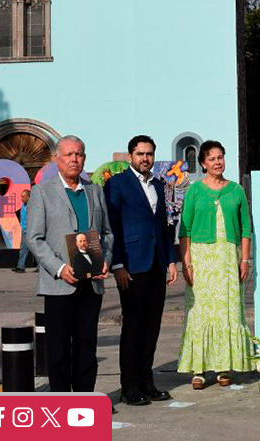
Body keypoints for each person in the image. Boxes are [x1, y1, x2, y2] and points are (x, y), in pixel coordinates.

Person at [26, 135, 113, 394]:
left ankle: (85, 398)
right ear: (57, 159)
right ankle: (62, 400)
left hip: (92, 282)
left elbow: (107, 233)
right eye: (68, 154)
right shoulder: (42, 192)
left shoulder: (95, 192)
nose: (74, 159)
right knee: (59, 348)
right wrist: (59, 268)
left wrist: (106, 259)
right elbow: (34, 238)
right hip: (60, 283)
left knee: (87, 346)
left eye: (79, 154)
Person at [104, 135, 180, 406]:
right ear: (130, 156)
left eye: (149, 154)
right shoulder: (117, 184)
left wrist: (171, 260)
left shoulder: (159, 185)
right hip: (131, 266)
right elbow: (112, 226)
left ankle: (147, 381)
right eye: (140, 154)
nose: (145, 158)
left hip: (157, 263)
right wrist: (117, 264)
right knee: (133, 326)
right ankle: (129, 386)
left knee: (152, 327)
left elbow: (165, 226)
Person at [177, 140, 255, 389]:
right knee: (200, 311)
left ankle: (224, 367)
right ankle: (198, 370)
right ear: (202, 163)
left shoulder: (236, 190)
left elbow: (246, 228)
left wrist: (245, 259)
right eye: (211, 158)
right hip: (201, 259)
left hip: (228, 260)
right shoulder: (195, 191)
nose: (217, 162)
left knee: (229, 311)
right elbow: (184, 229)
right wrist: (186, 264)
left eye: (220, 157)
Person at [13, 189, 31, 273]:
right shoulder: (23, 205)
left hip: (29, 231)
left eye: (23, 197)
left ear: (28, 197)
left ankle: (21, 267)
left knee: (23, 249)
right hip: (24, 230)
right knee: (33, 249)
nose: (21, 198)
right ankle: (40, 267)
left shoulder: (32, 206)